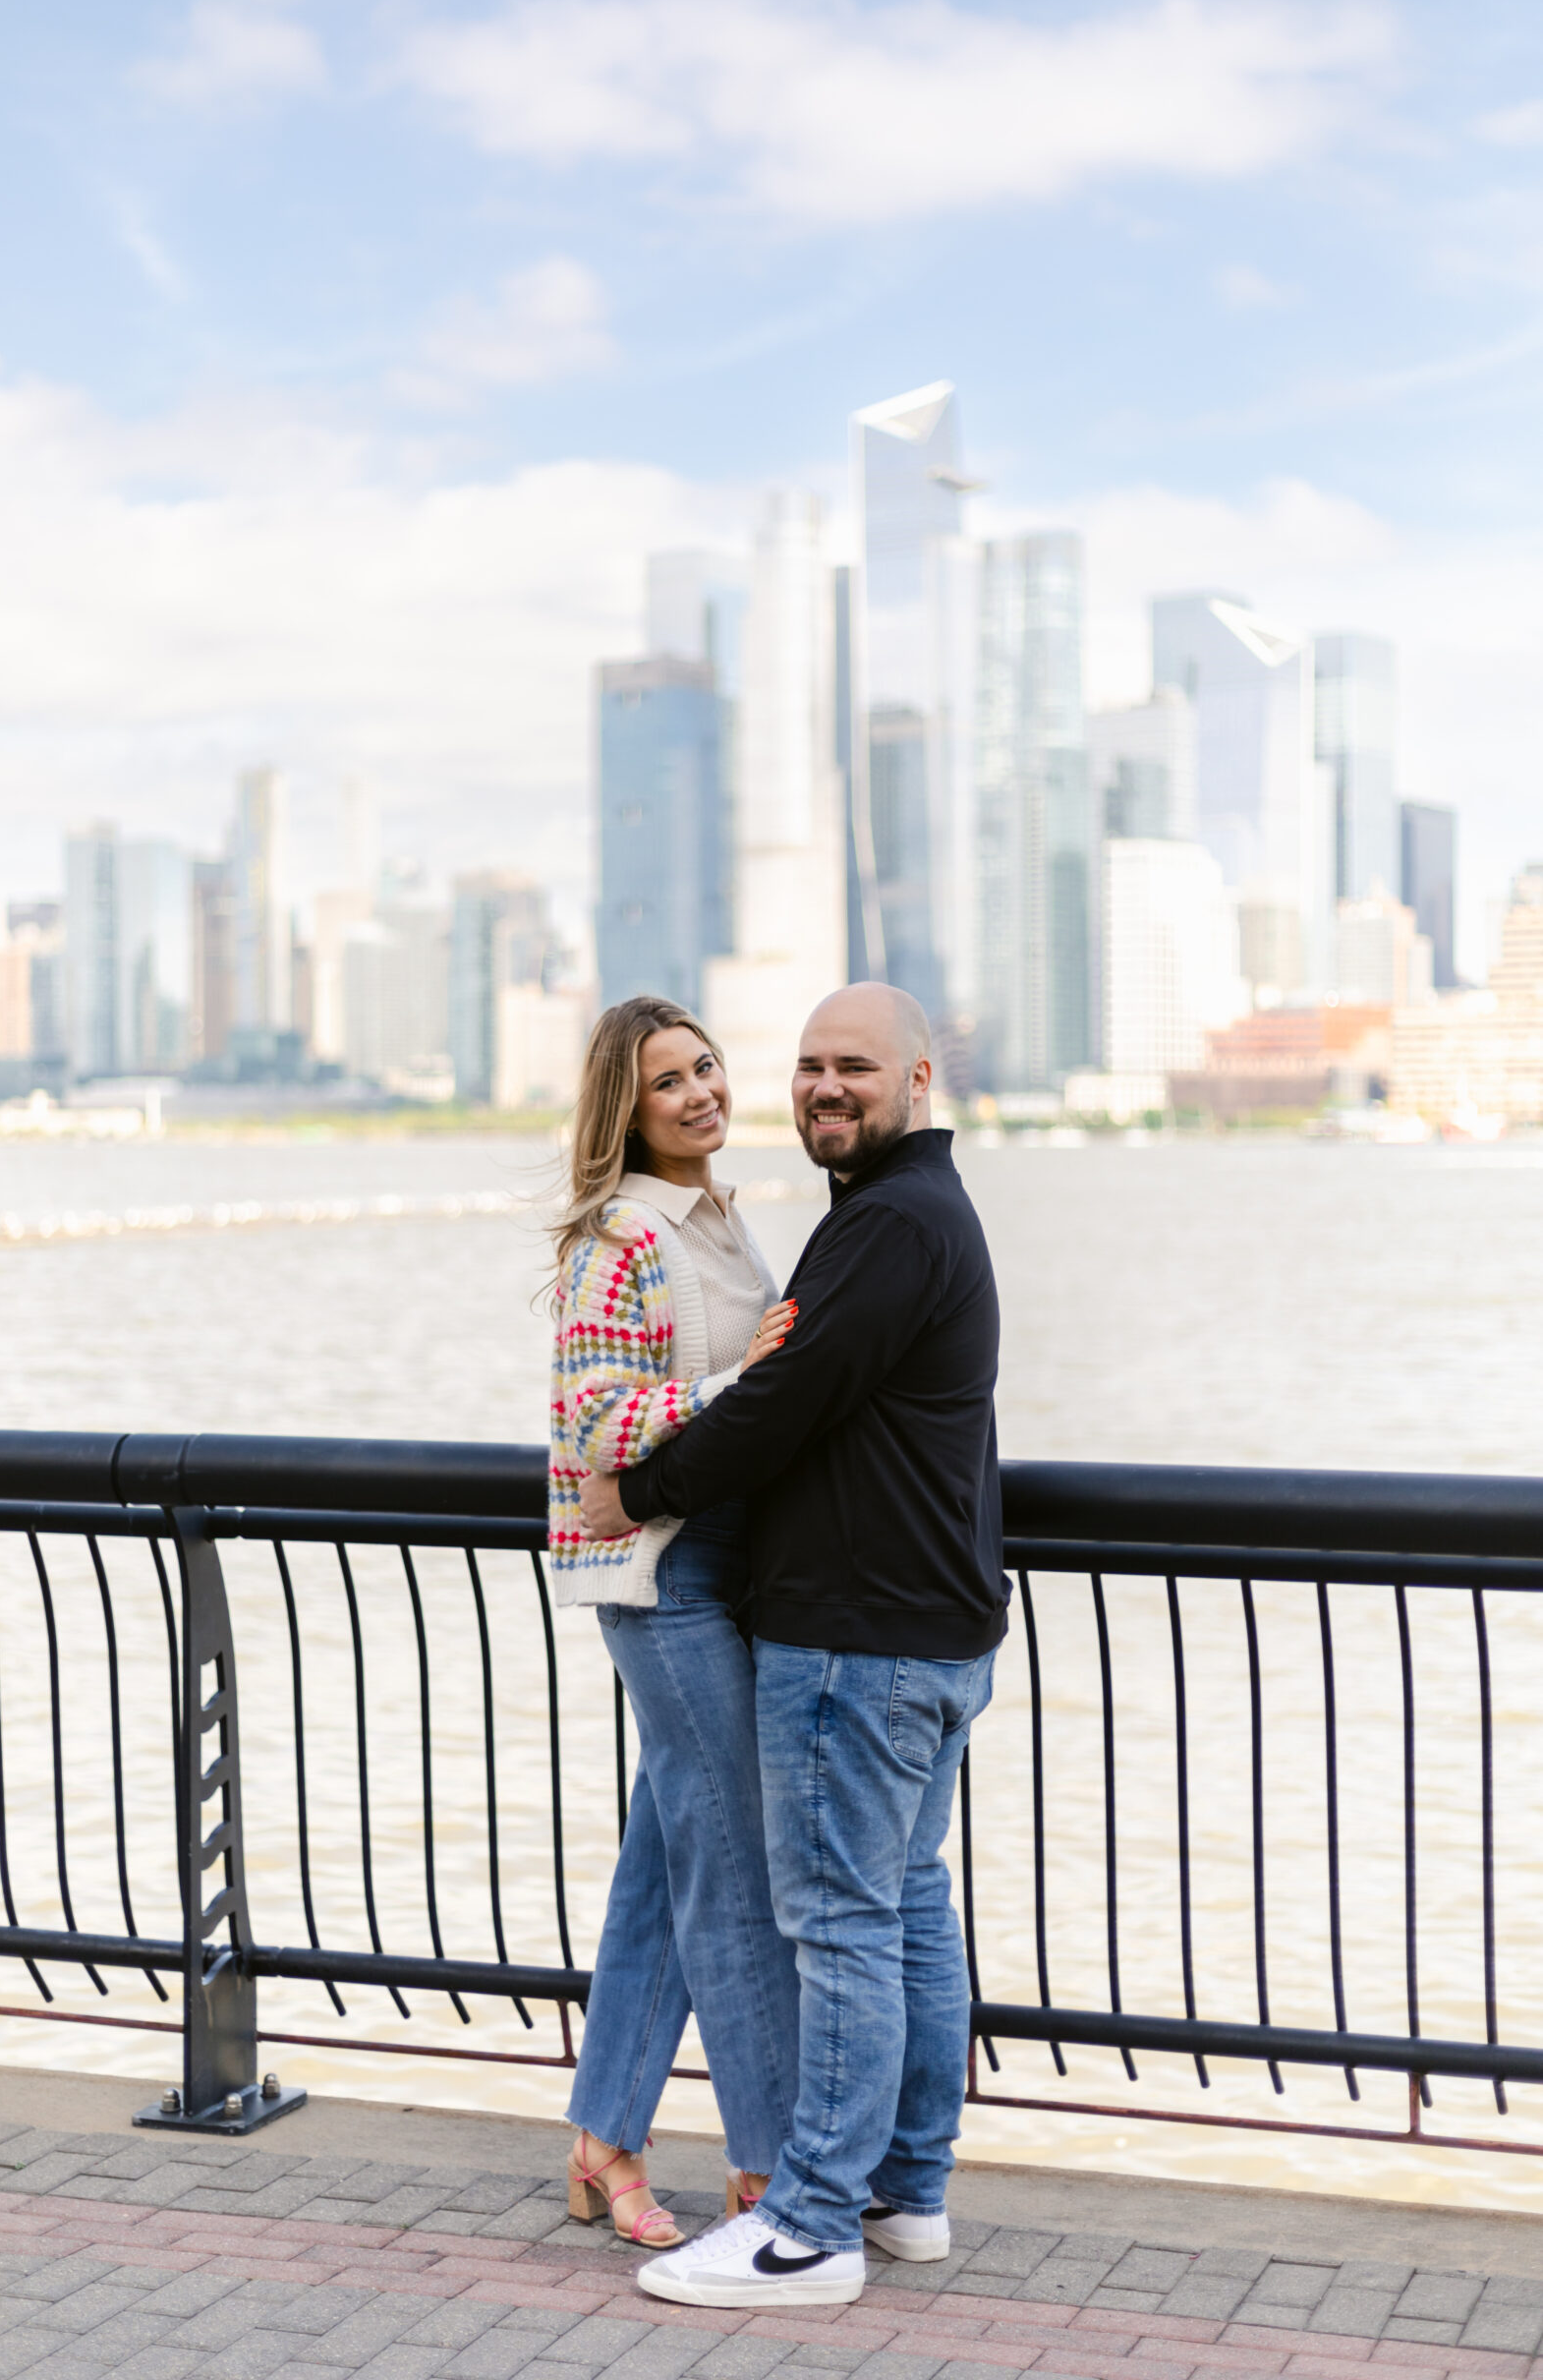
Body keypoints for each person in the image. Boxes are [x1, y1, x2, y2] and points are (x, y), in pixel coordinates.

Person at [581, 981, 1008, 2309]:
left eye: (856, 1069)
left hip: (852, 1638)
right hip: (926, 1629)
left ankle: (808, 2228)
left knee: (838, 1925)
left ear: (919, 1079)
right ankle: (904, 2193)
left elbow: (781, 1402)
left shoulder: (885, 1226)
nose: (825, 1087)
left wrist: (636, 1492)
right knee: (905, 1911)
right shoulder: (901, 1217)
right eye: (810, 1066)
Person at [548, 994, 801, 2249]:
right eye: (669, 1081)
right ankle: (766, 2171)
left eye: (707, 1065)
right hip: (666, 1579)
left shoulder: (720, 1220)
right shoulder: (624, 1236)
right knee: (736, 1878)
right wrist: (737, 1380)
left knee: (667, 1868)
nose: (701, 1090)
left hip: (721, 1573)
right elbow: (592, 1418)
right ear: (627, 1109)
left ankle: (605, 2140)